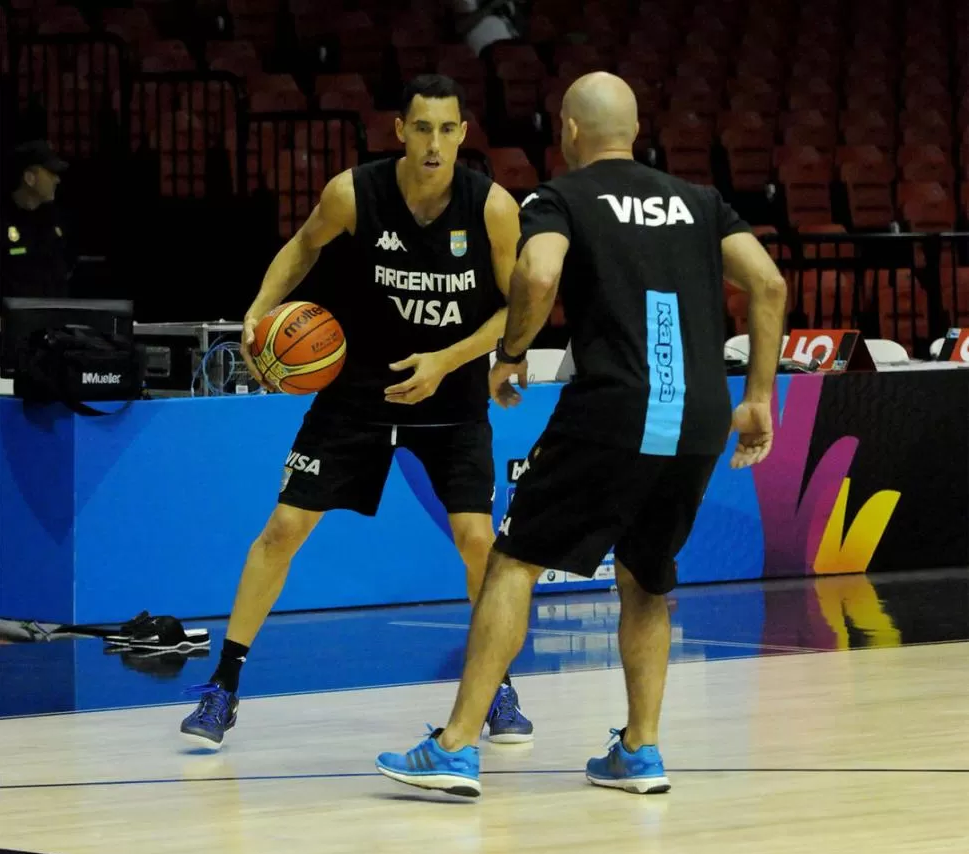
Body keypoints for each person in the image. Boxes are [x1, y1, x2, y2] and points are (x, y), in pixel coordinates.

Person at [376, 71, 787, 798]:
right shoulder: (699, 201)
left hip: (614, 409)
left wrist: (508, 356)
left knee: (513, 562)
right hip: (694, 416)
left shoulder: (561, 196)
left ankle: (457, 746)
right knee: (646, 579)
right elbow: (770, 285)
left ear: (568, 130)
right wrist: (756, 397)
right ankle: (640, 750)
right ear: (635, 130)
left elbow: (536, 273)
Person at [178, 74, 534, 749]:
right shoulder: (353, 193)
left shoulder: (491, 207)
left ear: (463, 134)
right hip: (356, 391)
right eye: (421, 128)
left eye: (446, 129)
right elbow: (305, 245)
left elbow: (518, 309)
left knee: (479, 542)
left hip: (449, 395)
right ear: (399, 130)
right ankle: (223, 686)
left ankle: (499, 687)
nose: (434, 143)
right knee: (283, 527)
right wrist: (258, 309)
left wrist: (446, 361)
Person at [0, 140, 72, 302]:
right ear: (29, 178)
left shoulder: (54, 218)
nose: (57, 180)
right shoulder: (4, 220)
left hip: (54, 318)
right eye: (51, 173)